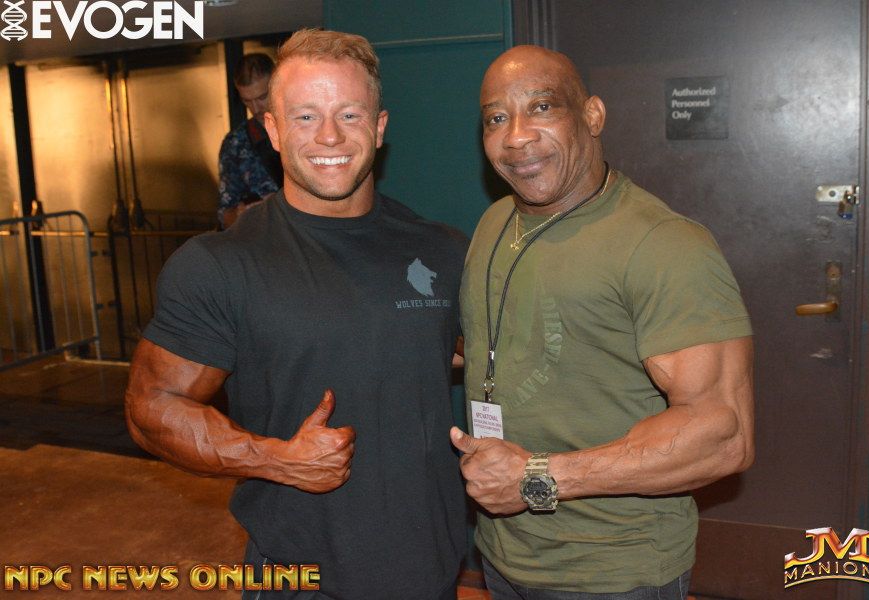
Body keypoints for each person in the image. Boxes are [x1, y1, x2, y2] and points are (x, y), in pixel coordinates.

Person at [126, 29, 467, 599]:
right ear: (273, 130)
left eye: (350, 114)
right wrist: (275, 459)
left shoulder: (443, 250)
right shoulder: (221, 264)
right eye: (306, 116)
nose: (329, 135)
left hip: (431, 573)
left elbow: (477, 359)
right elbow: (150, 408)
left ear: (379, 127)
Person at [450, 45, 754, 600]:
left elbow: (722, 436)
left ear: (592, 115)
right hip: (503, 553)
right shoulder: (495, 222)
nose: (516, 136)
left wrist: (536, 477)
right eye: (496, 118)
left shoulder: (664, 245)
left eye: (542, 107)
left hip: (615, 571)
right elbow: (511, 343)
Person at [217, 53, 282, 228]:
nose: (255, 108)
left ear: (277, 84)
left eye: (262, 97)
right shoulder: (235, 144)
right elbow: (225, 215)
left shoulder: (304, 126)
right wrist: (243, 214)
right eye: (247, 101)